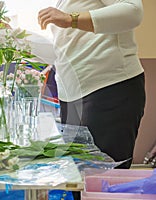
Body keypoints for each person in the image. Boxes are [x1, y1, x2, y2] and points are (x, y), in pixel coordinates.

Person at [37, 0, 146, 170]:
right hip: (73, 98)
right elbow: (67, 45)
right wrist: (15, 37)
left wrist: (71, 18)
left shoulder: (69, 13)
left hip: (107, 88)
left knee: (103, 181)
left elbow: (133, 11)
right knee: (77, 180)